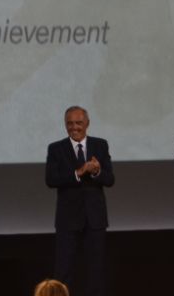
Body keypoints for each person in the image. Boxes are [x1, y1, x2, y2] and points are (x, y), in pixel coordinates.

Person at [45, 105, 115, 296]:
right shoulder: (56, 148)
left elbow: (110, 179)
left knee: (96, 271)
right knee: (64, 270)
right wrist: (78, 172)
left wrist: (96, 171)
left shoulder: (100, 145)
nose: (74, 127)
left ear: (87, 124)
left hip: (95, 219)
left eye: (78, 123)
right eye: (70, 123)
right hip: (68, 220)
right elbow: (51, 180)